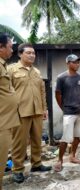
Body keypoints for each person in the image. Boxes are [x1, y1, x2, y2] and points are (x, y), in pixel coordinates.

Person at [8, 43, 51, 183]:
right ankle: (18, 170)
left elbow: (42, 92)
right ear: (20, 54)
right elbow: (6, 92)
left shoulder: (37, 72)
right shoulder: (11, 70)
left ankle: (36, 164)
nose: (32, 55)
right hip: (20, 112)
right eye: (28, 53)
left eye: (33, 53)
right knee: (19, 143)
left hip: (37, 111)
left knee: (37, 139)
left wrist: (44, 109)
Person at [54, 54, 80, 172]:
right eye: (74, 62)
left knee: (78, 135)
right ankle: (60, 160)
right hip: (69, 112)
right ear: (68, 63)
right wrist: (63, 108)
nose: (77, 64)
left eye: (78, 62)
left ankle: (72, 156)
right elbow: (58, 94)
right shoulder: (61, 77)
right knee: (66, 138)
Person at [0, 33, 20, 189]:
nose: (11, 50)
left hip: (6, 121)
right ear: (0, 47)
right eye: (10, 47)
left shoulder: (3, 65)